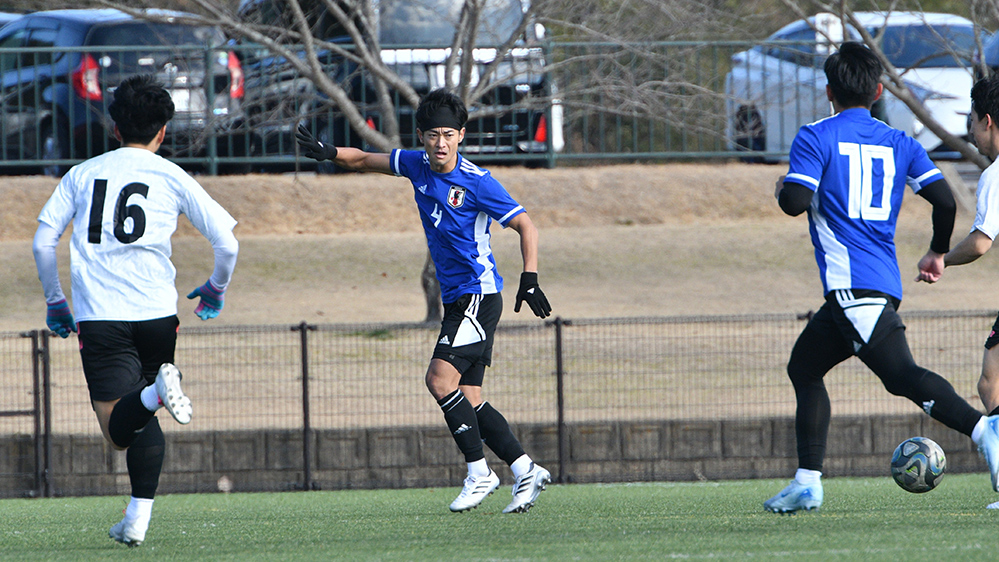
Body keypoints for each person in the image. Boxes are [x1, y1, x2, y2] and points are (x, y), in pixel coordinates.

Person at [766, 41, 999, 514]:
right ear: (877, 91)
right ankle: (807, 481)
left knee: (902, 376)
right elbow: (946, 201)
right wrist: (936, 250)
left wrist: (782, 187)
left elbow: (793, 202)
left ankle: (985, 431)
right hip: (876, 284)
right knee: (804, 367)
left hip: (853, 283)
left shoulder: (816, 135)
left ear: (829, 90)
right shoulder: (901, 142)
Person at [296, 88, 553, 513]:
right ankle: (526, 469)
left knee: (438, 380)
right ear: (421, 136)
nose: (441, 143)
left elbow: (526, 225)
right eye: (433, 134)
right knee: (468, 397)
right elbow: (362, 159)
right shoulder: (416, 165)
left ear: (462, 135)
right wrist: (327, 151)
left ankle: (479, 472)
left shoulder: (477, 182)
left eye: (449, 134)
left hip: (478, 294)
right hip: (457, 300)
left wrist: (530, 278)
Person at [32, 74, 239, 545]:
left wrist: (55, 301)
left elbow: (44, 243)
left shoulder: (82, 174)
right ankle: (136, 520)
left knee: (119, 429)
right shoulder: (172, 175)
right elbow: (227, 242)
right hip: (158, 315)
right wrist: (215, 289)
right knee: (142, 412)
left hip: (101, 315)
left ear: (113, 126)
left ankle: (154, 395)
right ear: (163, 130)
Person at [942, 73, 999, 508]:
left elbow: (980, 243)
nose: (973, 136)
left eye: (973, 126)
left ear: (988, 121)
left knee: (991, 385)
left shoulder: (996, 176)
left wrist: (940, 258)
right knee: (991, 384)